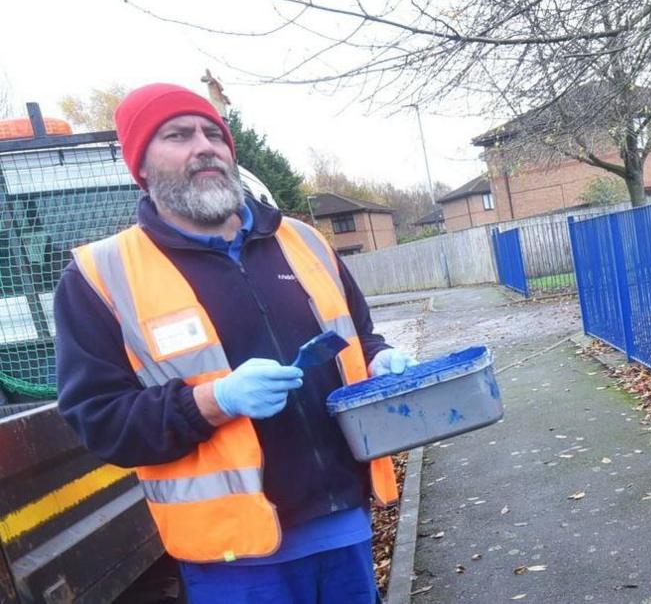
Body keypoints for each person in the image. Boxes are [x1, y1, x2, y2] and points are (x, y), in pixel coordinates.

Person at [54, 83, 415, 603]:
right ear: (141, 168)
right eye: (177, 135)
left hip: (344, 527)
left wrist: (381, 360)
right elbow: (100, 421)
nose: (203, 146)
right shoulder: (100, 277)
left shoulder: (304, 241)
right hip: (233, 559)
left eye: (212, 134)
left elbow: (359, 335)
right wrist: (213, 401)